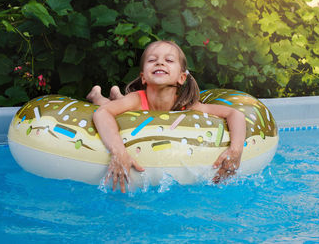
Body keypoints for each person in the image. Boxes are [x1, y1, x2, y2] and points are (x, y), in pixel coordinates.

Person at [87, 40, 246, 193]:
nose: (160, 63)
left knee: (121, 103)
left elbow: (235, 114)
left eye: (169, 60)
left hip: (136, 104)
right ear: (143, 77)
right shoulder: (136, 99)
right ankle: (97, 95)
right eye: (152, 60)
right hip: (134, 104)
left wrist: (236, 150)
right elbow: (102, 113)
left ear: (181, 78)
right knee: (105, 105)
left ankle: (116, 95)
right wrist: (118, 151)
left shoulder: (186, 106)